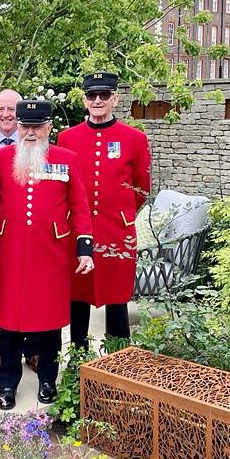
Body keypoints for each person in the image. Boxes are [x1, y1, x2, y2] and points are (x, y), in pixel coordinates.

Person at [0, 99, 94, 409]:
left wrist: (84, 249)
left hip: (53, 252)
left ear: (49, 127)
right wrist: (7, 222)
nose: (30, 132)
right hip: (12, 251)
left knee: (49, 318)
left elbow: (80, 206)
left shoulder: (66, 160)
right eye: (24, 126)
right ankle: (7, 383)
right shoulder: (0, 158)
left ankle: (47, 379)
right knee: (8, 319)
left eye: (36, 126)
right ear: (17, 127)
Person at [57, 71, 151, 348]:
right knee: (78, 293)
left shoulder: (134, 138)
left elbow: (142, 187)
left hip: (117, 228)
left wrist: (120, 211)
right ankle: (78, 355)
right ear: (84, 100)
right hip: (79, 228)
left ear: (115, 99)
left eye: (104, 95)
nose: (97, 100)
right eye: (91, 95)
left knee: (117, 294)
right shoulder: (67, 138)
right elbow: (64, 184)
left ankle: (118, 357)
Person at [0, 88, 38, 372]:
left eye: (12, 109)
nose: (6, 114)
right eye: (1, 109)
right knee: (0, 291)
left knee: (30, 287)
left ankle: (32, 349)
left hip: (26, 233)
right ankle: (3, 351)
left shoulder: (36, 142)